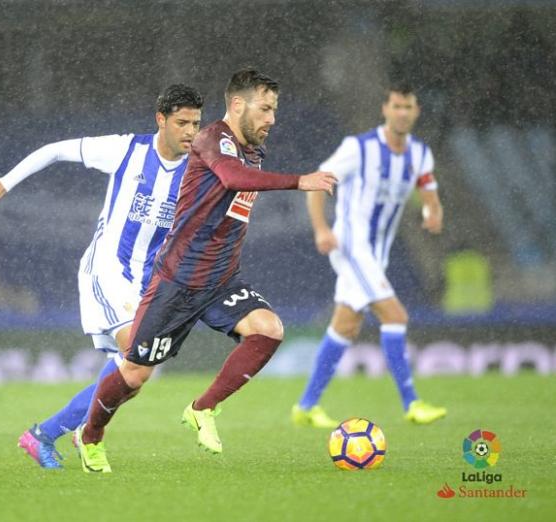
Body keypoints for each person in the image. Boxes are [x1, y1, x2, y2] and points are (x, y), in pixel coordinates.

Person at [74, 67, 337, 473]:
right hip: (178, 281)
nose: (272, 119)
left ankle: (203, 409)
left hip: (220, 279)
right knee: (135, 374)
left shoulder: (252, 150)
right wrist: (300, 181)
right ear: (236, 105)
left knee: (268, 330)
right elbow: (231, 178)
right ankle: (90, 435)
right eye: (265, 109)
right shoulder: (212, 138)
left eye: (274, 110)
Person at [0, 84, 204, 468]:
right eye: (182, 122)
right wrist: (4, 183)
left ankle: (43, 435)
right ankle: (82, 434)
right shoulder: (127, 150)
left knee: (134, 376)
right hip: (107, 269)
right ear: (161, 120)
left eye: (196, 123)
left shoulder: (197, 170)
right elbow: (55, 150)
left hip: (144, 282)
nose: (191, 131)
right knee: (138, 361)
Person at [291, 82, 447, 428]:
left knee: (346, 325)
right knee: (395, 315)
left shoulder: (420, 154)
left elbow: (428, 188)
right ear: (385, 110)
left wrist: (432, 212)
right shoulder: (358, 149)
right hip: (351, 245)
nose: (402, 113)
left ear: (416, 111)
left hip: (377, 254)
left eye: (408, 107)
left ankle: (306, 406)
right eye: (396, 106)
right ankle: (412, 403)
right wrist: (321, 229)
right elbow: (316, 183)